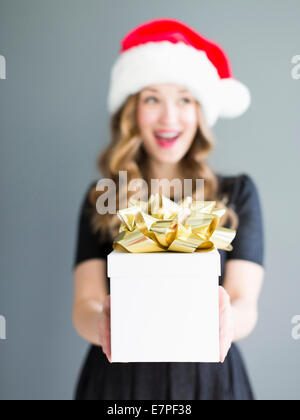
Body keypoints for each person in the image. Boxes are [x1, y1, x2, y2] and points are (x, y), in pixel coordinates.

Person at [72, 18, 265, 400]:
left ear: (200, 111)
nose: (169, 117)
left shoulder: (236, 194)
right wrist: (105, 324)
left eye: (184, 99)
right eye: (152, 98)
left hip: (209, 380)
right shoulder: (103, 197)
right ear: (132, 111)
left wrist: (226, 322)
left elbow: (244, 301)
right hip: (119, 382)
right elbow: (84, 302)